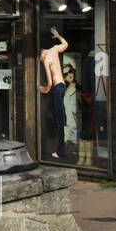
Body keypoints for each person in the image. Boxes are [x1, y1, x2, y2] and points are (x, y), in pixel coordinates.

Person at [39, 26, 69, 159]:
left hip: (57, 88)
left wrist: (45, 89)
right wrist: (58, 36)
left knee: (58, 120)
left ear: (42, 52)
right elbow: (65, 44)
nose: (40, 59)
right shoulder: (55, 49)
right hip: (62, 86)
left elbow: (50, 82)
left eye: (40, 56)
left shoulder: (46, 60)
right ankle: (59, 142)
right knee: (57, 115)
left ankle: (60, 151)